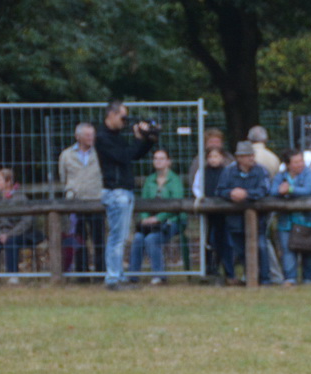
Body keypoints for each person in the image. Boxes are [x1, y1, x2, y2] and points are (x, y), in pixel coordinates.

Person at [97, 101, 157, 290]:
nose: (125, 121)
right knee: (116, 238)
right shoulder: (102, 137)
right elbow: (124, 156)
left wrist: (148, 140)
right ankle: (113, 279)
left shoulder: (115, 136)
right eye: (123, 117)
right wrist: (138, 138)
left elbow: (135, 155)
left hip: (125, 192)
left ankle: (118, 276)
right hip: (116, 192)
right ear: (111, 115)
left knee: (121, 237)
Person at [213, 143, 270, 283]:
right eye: (247, 155)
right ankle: (247, 276)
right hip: (234, 221)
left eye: (252, 155)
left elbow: (264, 190)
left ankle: (265, 279)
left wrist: (246, 194)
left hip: (259, 221)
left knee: (262, 247)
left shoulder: (261, 171)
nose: (251, 158)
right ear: (239, 158)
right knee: (240, 250)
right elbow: (220, 190)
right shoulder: (228, 171)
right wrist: (231, 193)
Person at [131, 147, 186, 283]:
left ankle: (159, 275)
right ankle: (132, 276)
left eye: (162, 158)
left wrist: (157, 218)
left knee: (152, 239)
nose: (158, 161)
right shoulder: (149, 180)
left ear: (168, 161)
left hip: (172, 221)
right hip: (150, 222)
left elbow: (176, 205)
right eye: (155, 158)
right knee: (138, 238)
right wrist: (144, 218)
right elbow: (143, 203)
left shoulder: (175, 180)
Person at [58, 122, 104, 275]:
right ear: (78, 136)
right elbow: (63, 178)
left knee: (99, 240)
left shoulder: (101, 153)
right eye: (87, 134)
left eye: (92, 134)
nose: (91, 137)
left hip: (97, 201)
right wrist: (71, 193)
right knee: (78, 239)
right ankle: (81, 273)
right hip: (76, 204)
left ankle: (100, 272)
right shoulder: (66, 155)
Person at [0, 167, 41, 280]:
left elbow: (26, 221)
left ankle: (13, 275)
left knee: (11, 241)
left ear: (8, 181)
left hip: (18, 234)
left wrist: (10, 234)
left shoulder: (21, 198)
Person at [274, 148, 311, 283]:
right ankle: (290, 279)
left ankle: (309, 279)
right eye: (296, 162)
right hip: (287, 221)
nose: (300, 164)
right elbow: (273, 190)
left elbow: (310, 188)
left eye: (301, 161)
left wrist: (290, 189)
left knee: (309, 249)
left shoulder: (309, 174)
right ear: (288, 164)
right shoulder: (281, 176)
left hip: (308, 221)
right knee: (287, 249)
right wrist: (280, 191)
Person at [242, 134, 284, 284]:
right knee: (265, 240)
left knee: (262, 241)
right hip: (268, 204)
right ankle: (272, 275)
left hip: (255, 204)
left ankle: (267, 274)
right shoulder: (272, 157)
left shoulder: (257, 165)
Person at [194, 143, 229, 283]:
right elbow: (196, 187)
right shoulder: (202, 172)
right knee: (207, 237)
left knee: (221, 237)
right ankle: (208, 265)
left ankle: (220, 264)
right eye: (210, 156)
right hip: (207, 210)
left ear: (222, 158)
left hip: (223, 210)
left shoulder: (226, 171)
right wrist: (201, 198)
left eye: (216, 156)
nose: (213, 159)